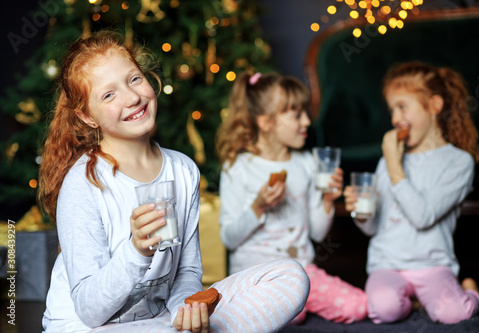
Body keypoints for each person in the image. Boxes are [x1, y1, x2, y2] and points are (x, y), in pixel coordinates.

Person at [38, 30, 310, 333]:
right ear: (88, 117)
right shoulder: (84, 185)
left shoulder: (182, 170)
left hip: (159, 321)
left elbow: (187, 271)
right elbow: (89, 311)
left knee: (291, 276)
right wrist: (137, 251)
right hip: (88, 328)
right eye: (109, 94)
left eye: (134, 79)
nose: (132, 97)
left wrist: (186, 311)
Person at [216, 72, 367, 324]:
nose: (307, 121)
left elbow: (317, 235)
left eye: (305, 113)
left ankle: (295, 304)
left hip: (301, 272)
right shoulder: (238, 167)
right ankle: (290, 308)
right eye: (297, 115)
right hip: (254, 276)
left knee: (358, 306)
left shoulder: (306, 164)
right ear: (266, 123)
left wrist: (327, 201)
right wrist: (258, 206)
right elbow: (229, 239)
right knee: (288, 316)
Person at [343, 61, 479, 324]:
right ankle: (413, 300)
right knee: (384, 310)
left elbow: (423, 216)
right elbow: (372, 228)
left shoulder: (458, 163)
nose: (395, 119)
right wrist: (361, 212)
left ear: (434, 106)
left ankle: (470, 289)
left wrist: (395, 165)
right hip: (388, 264)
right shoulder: (388, 161)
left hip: (432, 265)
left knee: (454, 314)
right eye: (392, 110)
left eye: (402, 107)